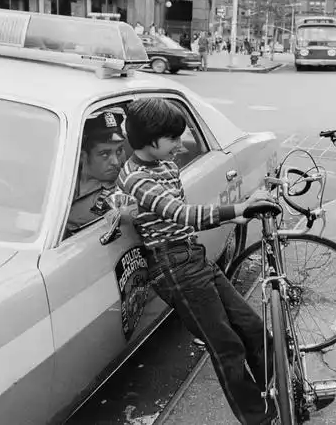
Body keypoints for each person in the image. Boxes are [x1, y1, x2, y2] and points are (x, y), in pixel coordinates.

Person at [117, 98, 278, 425]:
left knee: (253, 327)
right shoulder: (136, 179)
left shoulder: (167, 166)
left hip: (192, 254)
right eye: (173, 139)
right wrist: (239, 209)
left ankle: (279, 394)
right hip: (172, 267)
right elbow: (180, 214)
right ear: (150, 141)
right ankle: (258, 418)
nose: (180, 145)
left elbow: (182, 218)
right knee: (227, 346)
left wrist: (235, 216)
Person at [67, 111, 128, 233]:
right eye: (105, 154)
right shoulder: (62, 177)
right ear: (82, 156)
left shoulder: (124, 188)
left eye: (119, 151)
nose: (116, 162)